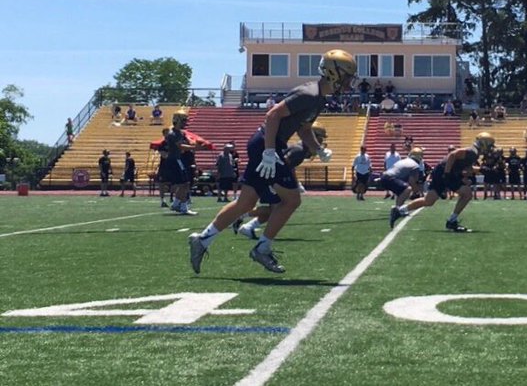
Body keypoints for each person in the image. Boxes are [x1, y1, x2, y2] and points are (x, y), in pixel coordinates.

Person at [187, 49, 355, 275]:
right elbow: (272, 115)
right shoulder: (309, 93)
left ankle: (203, 240)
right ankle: (262, 248)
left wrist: (318, 149)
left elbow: (304, 128)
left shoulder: (318, 98)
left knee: (245, 203)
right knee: (291, 200)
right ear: (334, 73)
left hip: (268, 143)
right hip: (268, 144)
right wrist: (268, 151)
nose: (349, 82)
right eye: (347, 75)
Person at [391, 132, 495, 233]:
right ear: (483, 143)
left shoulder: (474, 154)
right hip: (444, 172)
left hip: (442, 171)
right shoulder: (472, 152)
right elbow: (452, 155)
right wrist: (447, 173)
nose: (490, 148)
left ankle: (399, 210)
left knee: (429, 201)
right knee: (467, 194)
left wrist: (481, 169)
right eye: (489, 145)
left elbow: (467, 168)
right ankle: (452, 221)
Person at [385, 148, 427, 228]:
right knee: (408, 189)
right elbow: (412, 181)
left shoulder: (405, 161)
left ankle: (398, 209)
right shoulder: (415, 165)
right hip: (390, 178)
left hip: (386, 177)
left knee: (402, 191)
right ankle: (398, 210)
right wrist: (416, 191)